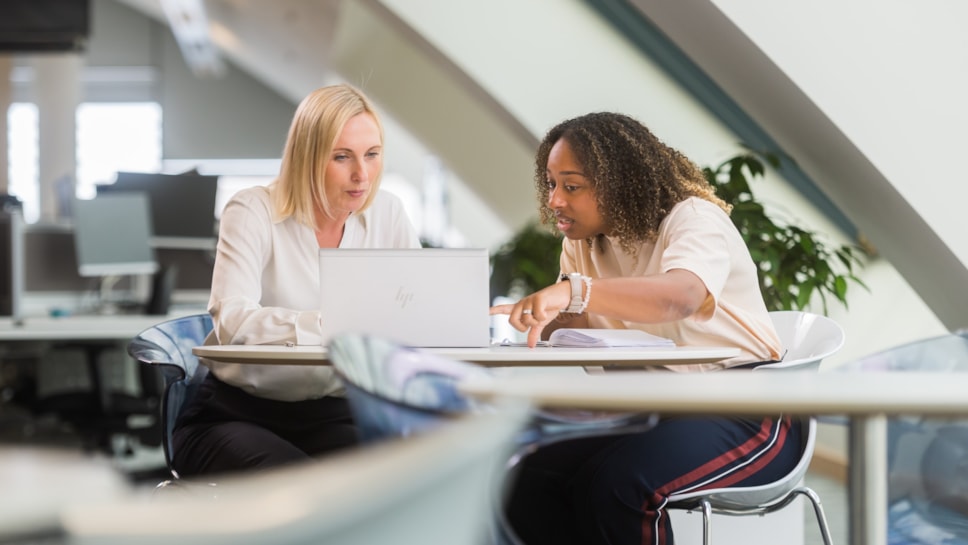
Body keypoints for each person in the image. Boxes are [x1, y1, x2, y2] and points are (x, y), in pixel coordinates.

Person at [490, 112, 795, 545]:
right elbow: (577, 314)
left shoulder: (693, 218)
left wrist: (574, 294)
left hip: (746, 409)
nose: (555, 200)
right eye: (551, 184)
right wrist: (540, 313)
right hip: (657, 409)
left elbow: (681, 295)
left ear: (619, 182)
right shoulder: (581, 244)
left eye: (571, 186)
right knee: (526, 472)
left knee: (619, 484)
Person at [172, 84, 421, 477]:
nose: (362, 174)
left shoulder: (387, 214)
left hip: (338, 414)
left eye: (372, 155)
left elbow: (417, 306)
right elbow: (232, 321)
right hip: (238, 414)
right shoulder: (252, 210)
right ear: (307, 157)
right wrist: (331, 325)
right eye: (342, 157)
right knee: (305, 488)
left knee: (400, 477)